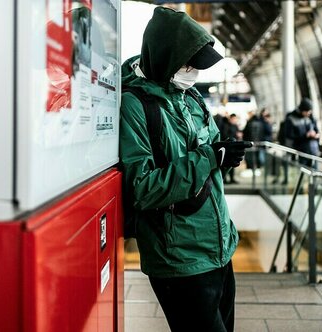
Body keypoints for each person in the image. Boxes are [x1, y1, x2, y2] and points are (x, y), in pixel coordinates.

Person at [119, 7, 248, 332]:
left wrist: (224, 155)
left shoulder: (190, 98)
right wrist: (208, 158)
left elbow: (210, 150)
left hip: (219, 246)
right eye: (189, 63)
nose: (194, 73)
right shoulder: (134, 105)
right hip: (179, 257)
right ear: (165, 57)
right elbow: (143, 188)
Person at [284, 98, 320, 168]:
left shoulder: (311, 117)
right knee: (302, 174)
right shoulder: (291, 118)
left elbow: (316, 130)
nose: (309, 113)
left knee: (315, 173)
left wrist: (316, 135)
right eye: (307, 111)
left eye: (310, 111)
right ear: (302, 110)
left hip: (313, 151)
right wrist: (305, 135)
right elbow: (289, 135)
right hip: (300, 153)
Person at [223, 113, 241, 184]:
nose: (234, 120)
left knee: (233, 163)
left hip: (234, 147)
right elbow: (225, 135)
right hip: (228, 147)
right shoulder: (226, 125)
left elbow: (237, 133)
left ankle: (232, 178)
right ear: (230, 119)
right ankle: (225, 179)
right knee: (226, 163)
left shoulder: (235, 126)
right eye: (233, 119)